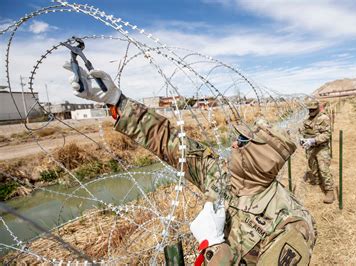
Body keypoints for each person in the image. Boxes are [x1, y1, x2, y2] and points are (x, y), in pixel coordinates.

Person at [64, 63, 316, 265]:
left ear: (261, 159)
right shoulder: (218, 174)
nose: (233, 145)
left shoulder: (290, 224)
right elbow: (170, 142)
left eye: (242, 141)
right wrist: (116, 101)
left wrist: (214, 245)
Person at [300, 101, 335, 204]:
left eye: (313, 109)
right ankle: (318, 181)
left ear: (318, 108)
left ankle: (329, 191)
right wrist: (302, 139)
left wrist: (314, 140)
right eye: (309, 109)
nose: (311, 111)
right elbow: (303, 131)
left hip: (321, 148)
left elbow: (327, 134)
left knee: (323, 169)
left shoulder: (324, 118)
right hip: (310, 148)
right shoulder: (307, 119)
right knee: (313, 166)